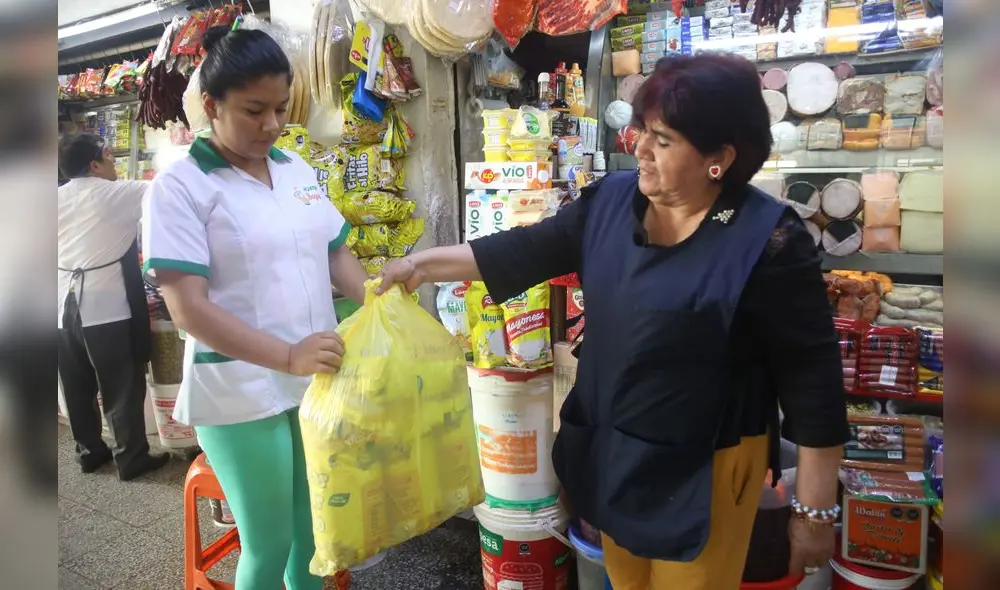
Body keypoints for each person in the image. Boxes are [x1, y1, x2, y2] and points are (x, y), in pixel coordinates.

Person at [379, 53, 848, 590]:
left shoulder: (767, 240)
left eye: (663, 140)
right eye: (643, 130)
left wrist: (815, 512)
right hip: (615, 449)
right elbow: (524, 249)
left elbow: (813, 380)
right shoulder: (611, 201)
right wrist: (420, 266)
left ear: (719, 158)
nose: (640, 148)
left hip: (705, 468)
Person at [143, 26, 365, 590]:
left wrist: (385, 305)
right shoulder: (180, 187)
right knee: (270, 545)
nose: (271, 125)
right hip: (237, 389)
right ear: (212, 105)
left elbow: (335, 252)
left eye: (281, 109)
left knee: (312, 538)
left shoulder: (295, 170)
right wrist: (287, 355)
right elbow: (188, 309)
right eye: (253, 110)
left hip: (312, 379)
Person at [57, 132, 169, 481]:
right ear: (94, 165)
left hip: (60, 306)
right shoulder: (119, 193)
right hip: (105, 308)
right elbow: (170, 189)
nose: (114, 163)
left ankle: (90, 452)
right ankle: (131, 458)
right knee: (121, 384)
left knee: (76, 385)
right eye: (109, 155)